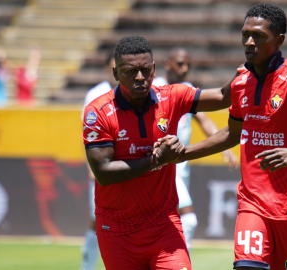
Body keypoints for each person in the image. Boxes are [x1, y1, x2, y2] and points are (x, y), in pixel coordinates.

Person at [156, 4, 287, 270]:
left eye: (258, 36)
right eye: (245, 34)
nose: (249, 42)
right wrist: (181, 155)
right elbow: (231, 134)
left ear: (279, 40)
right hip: (253, 202)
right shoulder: (241, 81)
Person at [82, 35, 236, 270]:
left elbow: (223, 96)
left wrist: (251, 70)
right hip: (117, 231)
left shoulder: (171, 96)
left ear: (154, 69)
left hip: (163, 225)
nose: (140, 78)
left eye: (145, 70)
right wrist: (156, 161)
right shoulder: (98, 112)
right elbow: (103, 172)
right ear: (115, 73)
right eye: (130, 71)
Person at [152, 47, 239, 252]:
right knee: (188, 220)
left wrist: (224, 147)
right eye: (180, 63)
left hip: (182, 169)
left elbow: (204, 120)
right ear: (167, 64)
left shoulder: (187, 89)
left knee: (166, 221)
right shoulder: (155, 87)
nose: (184, 69)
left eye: (188, 65)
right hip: (163, 166)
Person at [79, 51, 116, 270]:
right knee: (98, 221)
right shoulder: (95, 94)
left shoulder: (129, 92)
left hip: (124, 168)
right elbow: (87, 136)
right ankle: (87, 266)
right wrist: (91, 167)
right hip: (102, 168)